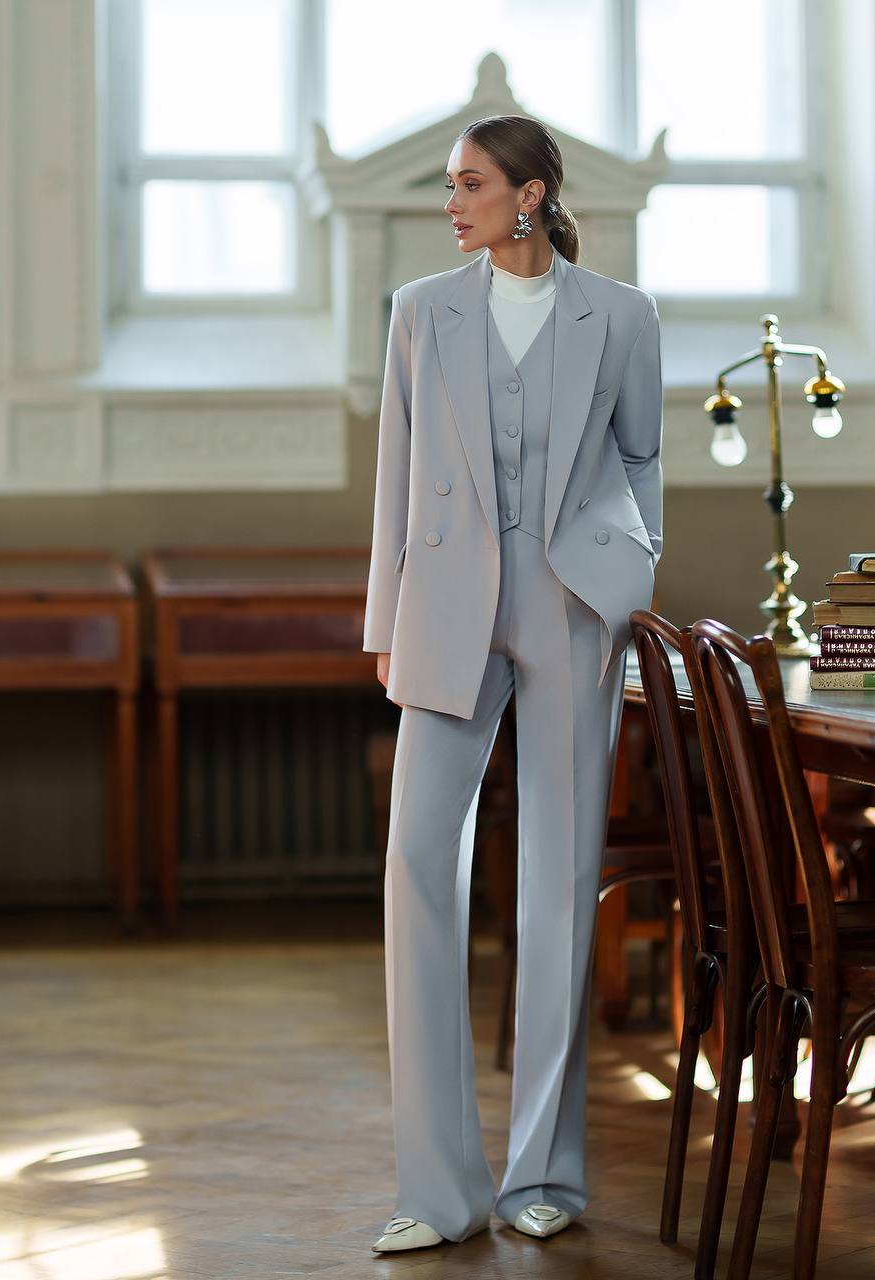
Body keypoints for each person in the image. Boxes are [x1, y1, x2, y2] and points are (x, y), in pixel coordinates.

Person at [363, 114, 664, 1253]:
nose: (453, 203)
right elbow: (395, 476)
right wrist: (385, 620)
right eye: (451, 186)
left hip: (571, 608)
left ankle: (546, 1174)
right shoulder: (419, 312)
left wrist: (627, 577)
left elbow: (641, 457)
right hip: (442, 607)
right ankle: (436, 1188)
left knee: (560, 879)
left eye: (471, 184)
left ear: (529, 195)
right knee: (415, 871)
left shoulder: (623, 315)